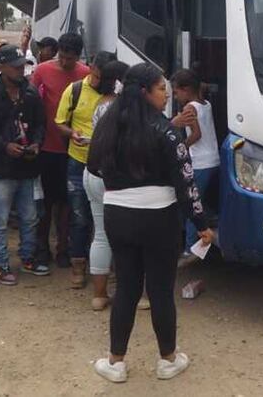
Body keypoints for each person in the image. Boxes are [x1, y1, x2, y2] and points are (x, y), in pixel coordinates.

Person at [87, 63, 212, 384]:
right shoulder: (167, 131)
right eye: (160, 89)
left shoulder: (109, 124)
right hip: (159, 218)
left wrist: (122, 182)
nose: (166, 95)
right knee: (160, 290)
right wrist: (202, 223)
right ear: (145, 92)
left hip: (118, 216)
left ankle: (115, 362)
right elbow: (186, 183)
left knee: (127, 288)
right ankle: (168, 360)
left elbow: (93, 165)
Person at [0, 45, 49, 285]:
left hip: (27, 167)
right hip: (0, 169)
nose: (20, 70)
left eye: (22, 66)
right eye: (15, 67)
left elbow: (40, 124)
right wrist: (4, 146)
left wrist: (36, 144)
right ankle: (2, 264)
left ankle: (27, 257)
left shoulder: (30, 92)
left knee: (30, 217)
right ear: (2, 67)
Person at [55, 50, 117, 287]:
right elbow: (60, 123)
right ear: (91, 68)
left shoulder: (118, 95)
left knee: (111, 219)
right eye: (99, 77)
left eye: (107, 79)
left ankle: (109, 267)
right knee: (79, 216)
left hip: (109, 165)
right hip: (79, 161)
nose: (102, 82)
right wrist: (73, 133)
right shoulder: (75, 90)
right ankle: (78, 266)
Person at [29, 32, 90, 269]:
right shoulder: (42, 70)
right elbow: (31, 101)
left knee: (67, 203)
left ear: (78, 56)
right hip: (46, 146)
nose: (65, 62)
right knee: (45, 202)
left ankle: (63, 248)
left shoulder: (85, 74)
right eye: (62, 57)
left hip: (73, 149)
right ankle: (42, 248)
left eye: (70, 59)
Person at [82, 59, 129, 311]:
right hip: (116, 179)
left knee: (101, 235)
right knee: (127, 237)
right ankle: (132, 292)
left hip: (93, 173)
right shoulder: (125, 109)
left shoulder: (100, 104)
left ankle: (99, 295)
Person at [170, 68, 220, 257]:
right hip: (213, 160)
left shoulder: (189, 108)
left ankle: (190, 249)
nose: (175, 97)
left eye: (176, 92)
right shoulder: (206, 103)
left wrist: (180, 146)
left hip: (200, 163)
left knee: (192, 207)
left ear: (186, 89)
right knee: (203, 204)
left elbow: (196, 134)